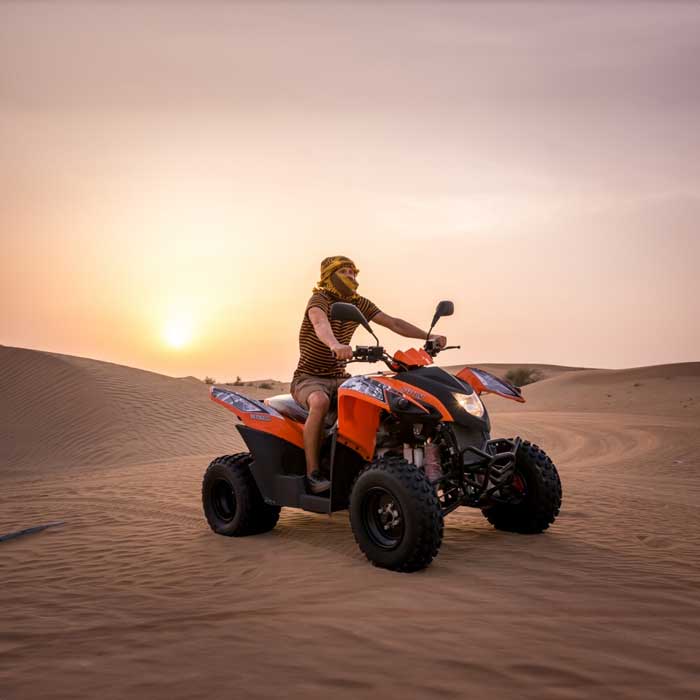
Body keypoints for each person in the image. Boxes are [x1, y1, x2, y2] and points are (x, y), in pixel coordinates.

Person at [291, 255, 447, 494]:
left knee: (379, 403)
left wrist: (428, 337)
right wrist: (334, 345)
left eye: (353, 272)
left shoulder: (358, 302)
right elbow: (320, 323)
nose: (351, 277)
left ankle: (374, 463)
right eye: (344, 272)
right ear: (329, 275)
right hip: (309, 378)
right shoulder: (320, 299)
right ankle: (313, 472)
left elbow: (394, 323)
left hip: (340, 377)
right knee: (320, 402)